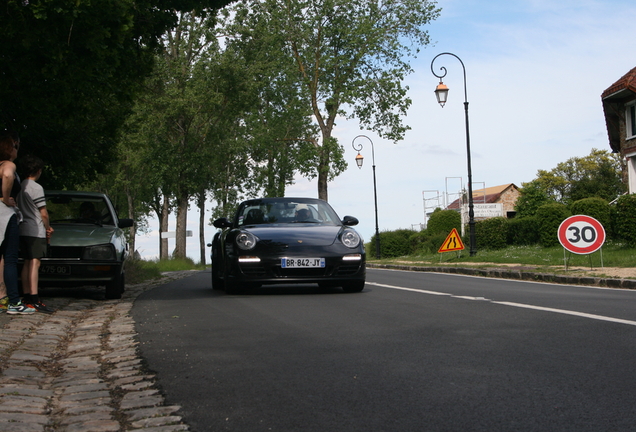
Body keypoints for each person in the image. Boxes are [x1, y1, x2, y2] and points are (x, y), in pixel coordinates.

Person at [0, 131, 34, 314]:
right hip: (4, 213)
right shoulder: (8, 165)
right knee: (10, 258)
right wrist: (5, 198)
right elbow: (7, 176)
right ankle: (14, 302)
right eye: (14, 146)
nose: (16, 150)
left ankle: (1, 299)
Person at [18, 155, 54, 313]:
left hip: (22, 228)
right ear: (38, 171)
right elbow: (43, 213)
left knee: (26, 262)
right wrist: (48, 227)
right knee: (35, 263)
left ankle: (26, 295)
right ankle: (34, 297)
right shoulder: (36, 187)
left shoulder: (20, 185)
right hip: (35, 228)